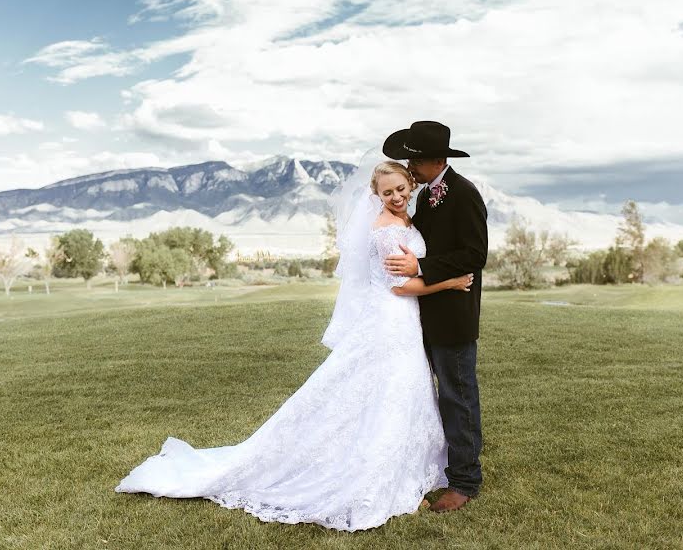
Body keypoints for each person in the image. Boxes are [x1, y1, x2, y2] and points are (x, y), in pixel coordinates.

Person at [114, 159, 474, 531]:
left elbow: (411, 270)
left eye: (401, 189)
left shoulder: (404, 220)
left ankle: (404, 469)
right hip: (390, 318)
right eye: (387, 192)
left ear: (410, 185)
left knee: (398, 392)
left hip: (402, 321)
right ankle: (378, 477)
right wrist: (448, 283)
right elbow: (398, 286)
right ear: (376, 194)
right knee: (388, 392)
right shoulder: (385, 229)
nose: (396, 197)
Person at [382, 120, 489, 513]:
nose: (410, 168)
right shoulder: (427, 195)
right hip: (422, 312)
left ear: (436, 160)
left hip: (454, 313)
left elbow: (475, 255)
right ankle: (439, 469)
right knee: (430, 397)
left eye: (414, 161)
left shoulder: (464, 193)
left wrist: (422, 266)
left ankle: (465, 481)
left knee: (458, 397)